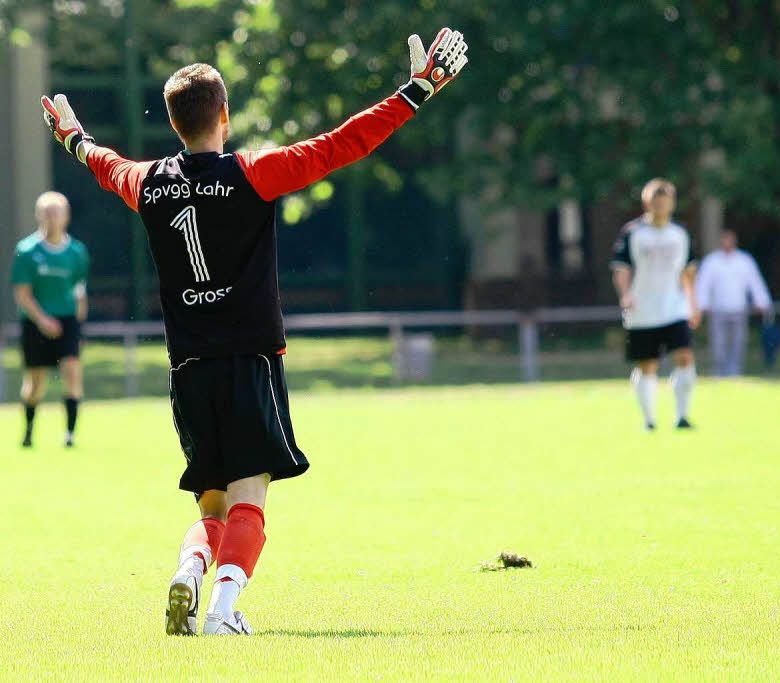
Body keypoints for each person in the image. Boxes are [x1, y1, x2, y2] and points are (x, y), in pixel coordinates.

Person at [42, 27, 468, 636]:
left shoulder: (149, 182)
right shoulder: (252, 173)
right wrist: (416, 91)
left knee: (211, 502)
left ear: (173, 122)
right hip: (248, 360)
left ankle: (191, 570)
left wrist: (73, 138)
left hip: (186, 369)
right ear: (225, 115)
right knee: (250, 497)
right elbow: (341, 145)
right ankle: (222, 610)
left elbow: (105, 165)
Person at [611, 179, 700, 431]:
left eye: (666, 201)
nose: (661, 205)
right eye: (657, 201)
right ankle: (649, 420)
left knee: (685, 356)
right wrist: (625, 294)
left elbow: (688, 271)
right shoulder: (633, 233)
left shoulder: (679, 233)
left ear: (672, 203)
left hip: (674, 307)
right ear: (647, 203)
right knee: (647, 364)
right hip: (643, 311)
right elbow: (621, 269)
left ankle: (682, 416)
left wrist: (693, 303)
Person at [10, 191, 89, 448]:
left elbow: (79, 292)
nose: (52, 217)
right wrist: (42, 320)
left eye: (57, 212)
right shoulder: (27, 250)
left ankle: (70, 435)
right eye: (47, 212)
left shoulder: (77, 252)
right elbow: (22, 294)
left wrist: (78, 329)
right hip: (35, 322)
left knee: (72, 373)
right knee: (35, 383)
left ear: (66, 216)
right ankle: (29, 429)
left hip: (67, 321)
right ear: (38, 215)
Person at [695, 230, 772, 377]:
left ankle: (735, 373)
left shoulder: (744, 261)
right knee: (719, 344)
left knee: (738, 343)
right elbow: (703, 285)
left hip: (738, 310)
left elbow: (754, 282)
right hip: (718, 310)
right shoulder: (712, 262)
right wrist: (701, 305)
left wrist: (761, 301)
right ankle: (719, 373)